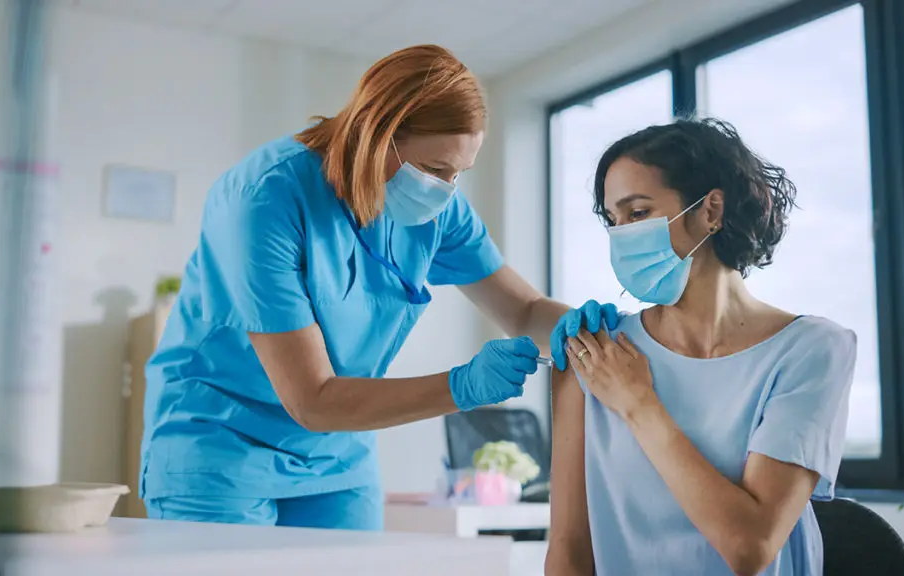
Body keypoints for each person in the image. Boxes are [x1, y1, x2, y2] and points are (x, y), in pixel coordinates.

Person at [140, 44, 618, 531]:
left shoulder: (439, 210)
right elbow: (312, 399)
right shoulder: (264, 199)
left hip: (339, 453)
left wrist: (612, 334)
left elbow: (524, 309)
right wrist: (462, 386)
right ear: (377, 133)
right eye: (435, 169)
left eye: (459, 172)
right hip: (222, 446)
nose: (447, 188)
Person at [545, 118, 857, 576]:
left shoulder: (811, 351)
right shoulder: (594, 355)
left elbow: (750, 546)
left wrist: (639, 405)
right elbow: (570, 551)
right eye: (612, 220)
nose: (621, 235)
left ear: (710, 210)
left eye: (637, 213)